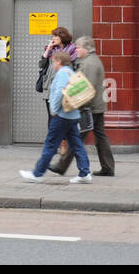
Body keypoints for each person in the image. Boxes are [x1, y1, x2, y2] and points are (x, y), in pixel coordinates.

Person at [19, 51, 90, 183]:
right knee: (77, 144)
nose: (53, 64)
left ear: (59, 62)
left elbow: (59, 92)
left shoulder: (62, 73)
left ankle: (37, 174)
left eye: (53, 62)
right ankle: (85, 173)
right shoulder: (70, 72)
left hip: (62, 116)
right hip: (72, 115)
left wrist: (54, 109)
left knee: (51, 144)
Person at [49, 36, 115, 177]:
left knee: (76, 137)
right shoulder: (92, 60)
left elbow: (85, 87)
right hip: (96, 105)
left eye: (78, 47)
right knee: (100, 136)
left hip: (88, 107)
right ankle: (108, 167)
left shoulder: (89, 64)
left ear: (86, 49)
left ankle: (62, 165)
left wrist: (78, 106)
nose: (76, 50)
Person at [39, 26, 76, 113]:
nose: (53, 38)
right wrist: (48, 49)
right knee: (51, 116)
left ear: (62, 37)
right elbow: (41, 65)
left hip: (66, 88)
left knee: (63, 115)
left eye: (56, 36)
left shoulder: (73, 50)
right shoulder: (51, 50)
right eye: (53, 36)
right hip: (50, 87)